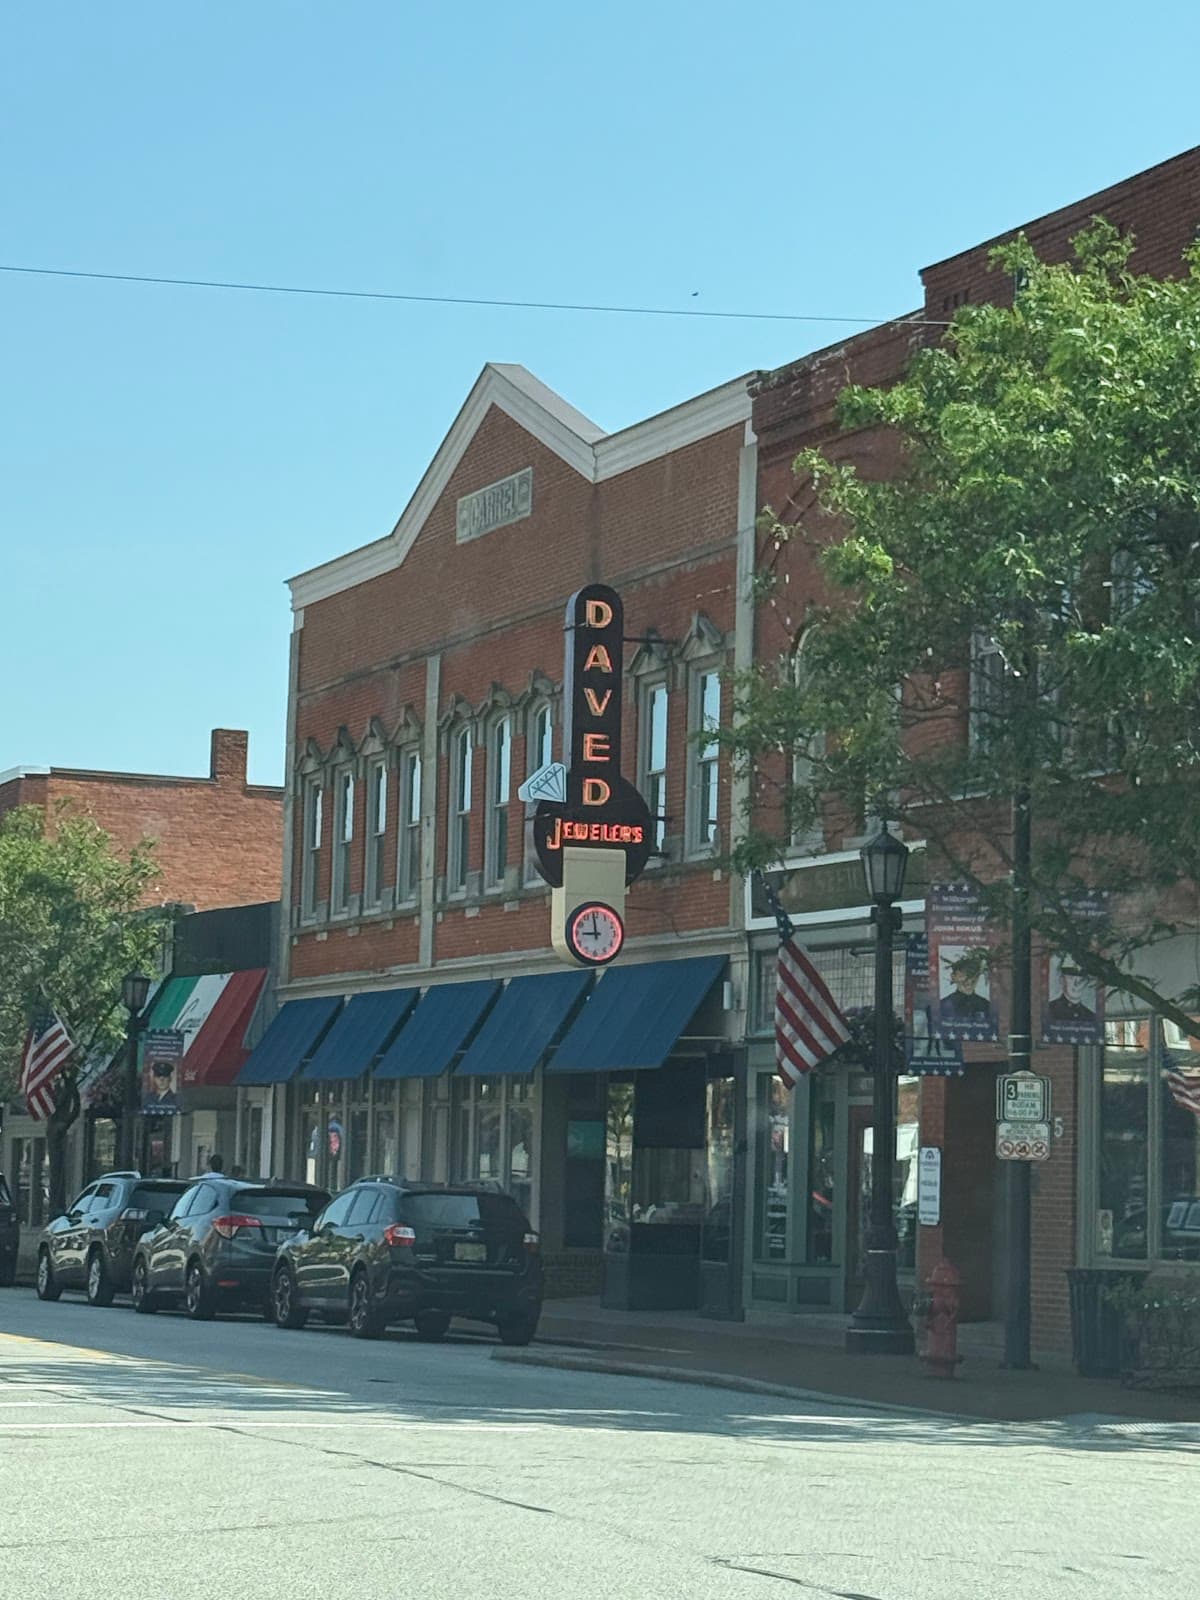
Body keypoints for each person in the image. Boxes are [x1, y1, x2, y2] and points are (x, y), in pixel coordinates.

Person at [939, 954, 997, 1030]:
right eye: (963, 976)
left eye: (974, 976)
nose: (969, 982)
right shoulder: (942, 1005)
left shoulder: (986, 1005)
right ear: (953, 977)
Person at [1045, 957, 1099, 1027]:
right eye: (1071, 978)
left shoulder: (1091, 1016)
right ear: (1062, 980)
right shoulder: (1049, 1010)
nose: (1076, 984)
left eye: (1081, 979)